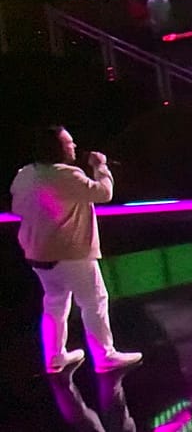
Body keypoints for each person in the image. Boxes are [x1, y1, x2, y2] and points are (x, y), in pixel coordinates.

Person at [10, 126, 142, 374]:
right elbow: (104, 193)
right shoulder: (67, 175)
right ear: (56, 148)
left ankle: (55, 356)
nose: (74, 146)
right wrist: (101, 167)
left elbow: (18, 207)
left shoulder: (25, 174)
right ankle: (105, 356)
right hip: (71, 253)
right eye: (68, 143)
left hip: (38, 252)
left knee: (55, 303)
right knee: (94, 301)